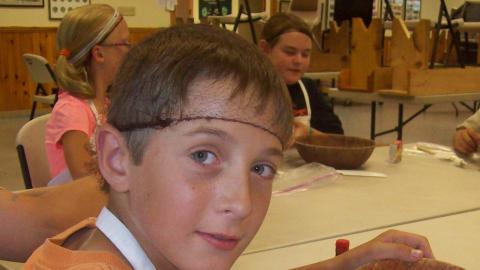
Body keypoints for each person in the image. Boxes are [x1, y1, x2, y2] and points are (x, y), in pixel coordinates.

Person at [21, 24, 433, 269]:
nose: (241, 203)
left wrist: (344, 263)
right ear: (116, 157)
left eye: (261, 169)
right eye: (204, 155)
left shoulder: (128, 244)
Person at [44, 4, 131, 185]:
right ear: (99, 53)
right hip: (79, 206)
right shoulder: (72, 111)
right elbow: (84, 178)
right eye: (124, 43)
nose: (129, 51)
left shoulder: (105, 103)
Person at [259, 12, 344, 139]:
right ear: (265, 49)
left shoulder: (308, 89)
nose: (298, 61)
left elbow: (337, 139)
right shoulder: (246, 88)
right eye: (290, 52)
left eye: (305, 54)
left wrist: (308, 133)